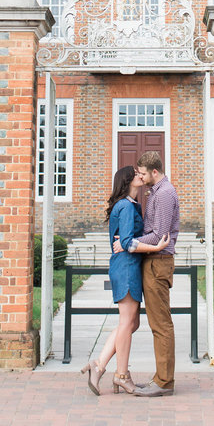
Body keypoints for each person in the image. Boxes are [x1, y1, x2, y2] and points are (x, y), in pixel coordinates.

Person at [81, 166, 169, 396]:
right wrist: (156, 246)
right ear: (129, 180)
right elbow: (129, 242)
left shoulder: (129, 205)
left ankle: (99, 365)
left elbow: (128, 239)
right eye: (137, 174)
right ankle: (120, 375)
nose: (142, 176)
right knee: (127, 322)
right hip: (127, 268)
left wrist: (131, 241)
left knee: (130, 323)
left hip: (127, 266)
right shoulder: (126, 207)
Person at [114, 150, 180, 398]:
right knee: (156, 323)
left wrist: (129, 241)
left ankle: (164, 382)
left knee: (161, 324)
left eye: (142, 173)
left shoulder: (163, 194)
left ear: (154, 172)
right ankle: (160, 378)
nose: (140, 177)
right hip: (151, 260)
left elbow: (159, 235)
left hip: (158, 261)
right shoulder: (156, 192)